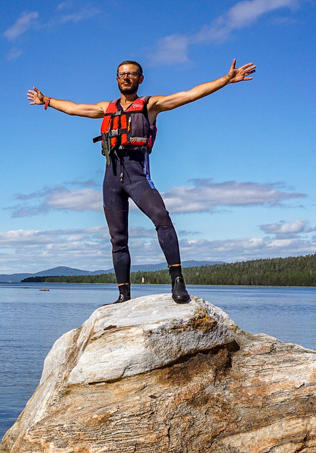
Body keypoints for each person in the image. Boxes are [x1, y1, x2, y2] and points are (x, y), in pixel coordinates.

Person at [27, 59, 257, 304]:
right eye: (122, 74)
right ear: (116, 79)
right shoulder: (106, 108)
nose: (126, 77)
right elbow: (74, 108)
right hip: (111, 178)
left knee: (162, 218)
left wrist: (225, 80)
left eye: (132, 74)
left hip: (138, 175)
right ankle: (123, 295)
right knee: (118, 238)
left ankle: (178, 282)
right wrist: (47, 101)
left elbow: (190, 95)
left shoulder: (150, 106)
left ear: (140, 78)